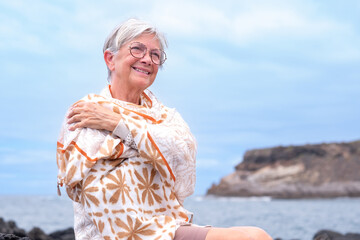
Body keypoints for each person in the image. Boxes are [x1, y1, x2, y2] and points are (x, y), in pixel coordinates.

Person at [56, 18, 272, 240]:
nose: (147, 59)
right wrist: (150, 145)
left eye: (155, 54)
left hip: (167, 222)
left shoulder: (166, 116)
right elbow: (101, 191)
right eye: (137, 49)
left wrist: (118, 125)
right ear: (110, 59)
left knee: (257, 233)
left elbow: (183, 154)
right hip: (121, 230)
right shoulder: (87, 111)